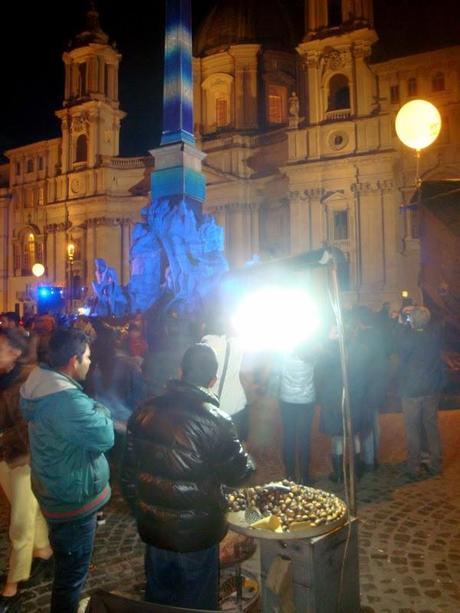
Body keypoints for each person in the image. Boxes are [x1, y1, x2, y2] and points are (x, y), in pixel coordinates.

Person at [121, 343, 254, 610]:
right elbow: (239, 473)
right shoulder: (217, 421)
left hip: (155, 532)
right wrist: (245, 457)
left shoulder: (144, 411)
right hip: (196, 536)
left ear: (180, 372)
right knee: (198, 602)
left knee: (158, 599)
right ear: (213, 380)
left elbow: (126, 474)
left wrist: (143, 511)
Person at [20, 328, 114, 613]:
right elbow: (105, 436)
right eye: (87, 357)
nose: (90, 362)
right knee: (71, 577)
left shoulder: (41, 383)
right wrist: (102, 410)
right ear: (73, 360)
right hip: (72, 501)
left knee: (67, 568)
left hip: (57, 488)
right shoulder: (67, 401)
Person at [0, 328, 53, 612]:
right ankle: (44, 551)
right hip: (4, 457)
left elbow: (31, 429)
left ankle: (14, 583)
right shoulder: (2, 377)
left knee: (19, 523)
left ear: (15, 352)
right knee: (27, 508)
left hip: (25, 459)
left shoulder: (27, 381)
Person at [398, 307, 444, 479]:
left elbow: (401, 351)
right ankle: (435, 463)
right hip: (431, 388)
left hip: (412, 390)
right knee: (431, 427)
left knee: (413, 428)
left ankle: (413, 466)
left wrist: (404, 324)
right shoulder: (434, 336)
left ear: (413, 321)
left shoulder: (407, 338)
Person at [201, 313, 249, 440]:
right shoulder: (238, 344)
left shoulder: (204, 346)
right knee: (236, 446)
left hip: (212, 405)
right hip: (237, 404)